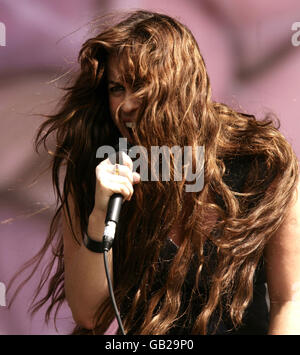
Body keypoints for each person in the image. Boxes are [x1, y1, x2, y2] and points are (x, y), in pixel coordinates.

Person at [18, 10, 300, 335]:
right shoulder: (97, 168)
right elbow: (90, 315)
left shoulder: (258, 161)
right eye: (116, 88)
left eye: (139, 86)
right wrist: (100, 216)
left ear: (181, 85)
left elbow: (288, 298)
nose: (126, 104)